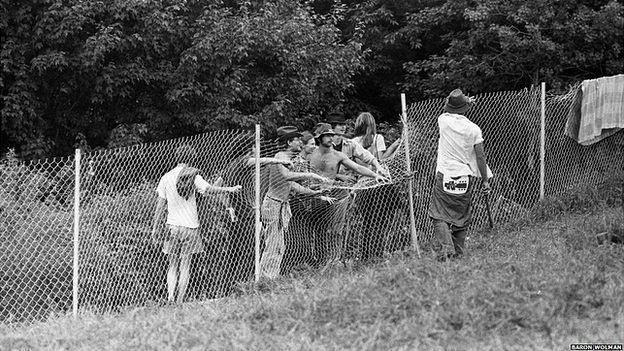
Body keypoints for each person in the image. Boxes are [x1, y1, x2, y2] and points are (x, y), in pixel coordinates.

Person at [151, 145, 242, 303]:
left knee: (172, 265)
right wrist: (230, 189)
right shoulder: (193, 175)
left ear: (177, 157)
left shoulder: (166, 177)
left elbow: (160, 206)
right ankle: (179, 301)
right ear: (192, 158)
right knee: (185, 265)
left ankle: (170, 296)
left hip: (171, 226)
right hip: (190, 227)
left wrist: (155, 227)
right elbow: (209, 190)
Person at [308, 123, 389, 267]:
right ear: (319, 138)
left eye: (331, 135)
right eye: (327, 135)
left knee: (335, 228)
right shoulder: (310, 153)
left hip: (335, 194)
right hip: (313, 195)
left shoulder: (338, 155)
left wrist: (374, 175)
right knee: (317, 228)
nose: (330, 138)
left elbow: (357, 167)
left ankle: (333, 261)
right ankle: (317, 261)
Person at [259, 126, 332, 279]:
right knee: (273, 244)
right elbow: (287, 176)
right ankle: (266, 279)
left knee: (279, 245)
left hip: (281, 205)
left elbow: (292, 186)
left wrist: (315, 193)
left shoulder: (288, 158)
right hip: (273, 204)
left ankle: (271, 277)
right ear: (288, 142)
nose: (300, 142)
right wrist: (312, 175)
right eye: (297, 139)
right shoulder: (281, 156)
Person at [428, 88, 493, 261]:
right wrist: (485, 181)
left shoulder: (443, 121)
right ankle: (458, 252)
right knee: (461, 216)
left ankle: (446, 248)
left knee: (438, 214)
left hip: (445, 174)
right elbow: (480, 156)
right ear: (466, 108)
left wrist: (461, 102)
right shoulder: (474, 129)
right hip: (465, 176)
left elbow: (447, 108)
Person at [326, 112, 389, 182]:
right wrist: (338, 176)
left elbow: (366, 157)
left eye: (344, 124)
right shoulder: (324, 146)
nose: (343, 127)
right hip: (329, 184)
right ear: (332, 127)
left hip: (348, 184)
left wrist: (378, 167)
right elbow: (318, 170)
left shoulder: (350, 143)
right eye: (340, 125)